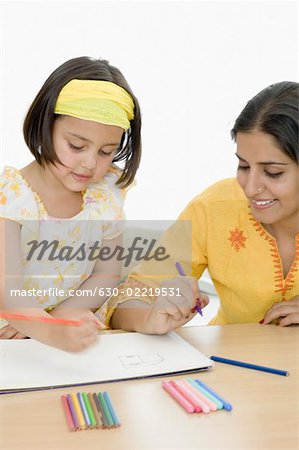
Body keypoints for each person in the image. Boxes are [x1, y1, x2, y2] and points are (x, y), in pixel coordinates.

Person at [103, 81, 298, 332]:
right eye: (244, 167)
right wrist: (150, 317)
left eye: (272, 172)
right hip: (233, 363)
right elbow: (128, 299)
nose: (250, 188)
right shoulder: (215, 208)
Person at [0, 56, 141, 351]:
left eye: (106, 151)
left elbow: (106, 274)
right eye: (76, 146)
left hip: (69, 332)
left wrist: (62, 321)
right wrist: (47, 330)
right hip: (9, 336)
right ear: (45, 126)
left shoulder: (104, 195)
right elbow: (7, 292)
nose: (90, 164)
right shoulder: (11, 196)